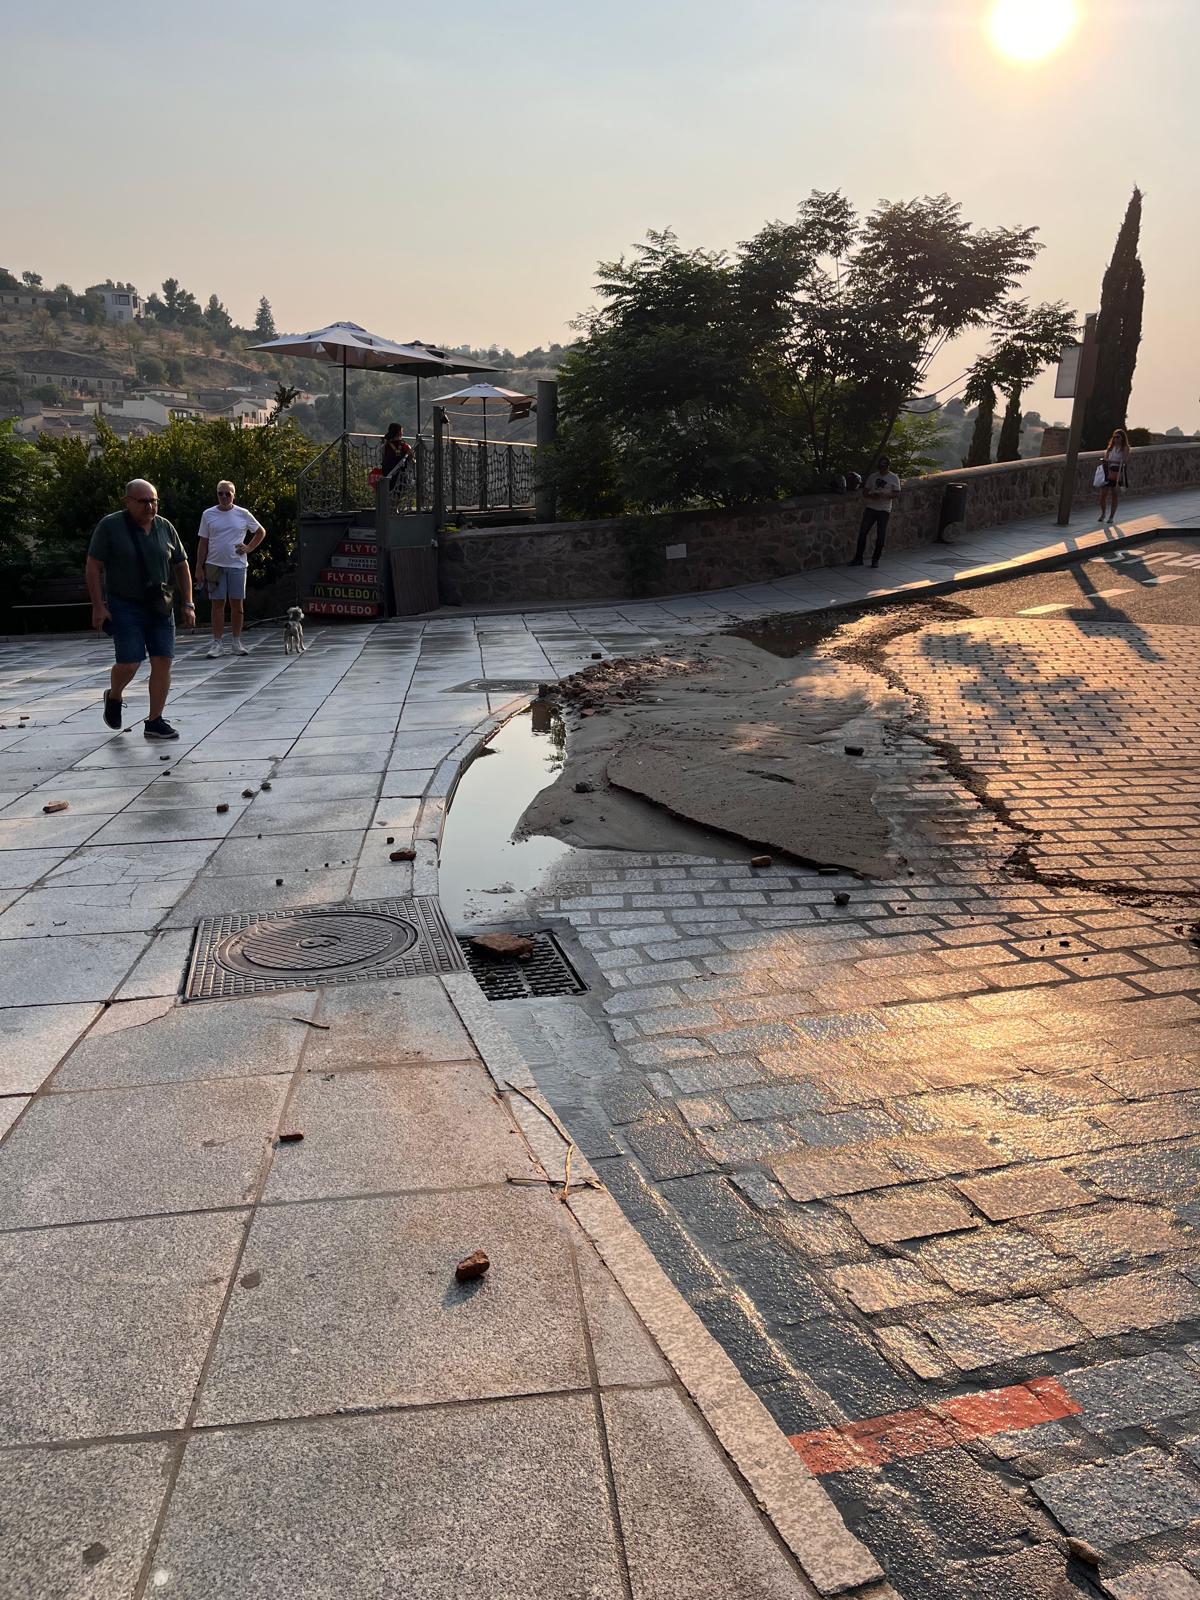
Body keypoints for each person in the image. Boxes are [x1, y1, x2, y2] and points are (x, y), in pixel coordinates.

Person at [85, 479, 194, 741]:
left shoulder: (165, 527)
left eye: (154, 500)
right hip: (125, 604)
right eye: (143, 501)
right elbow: (92, 565)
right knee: (130, 662)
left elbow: (181, 565)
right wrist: (99, 606)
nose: (150, 506)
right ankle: (114, 695)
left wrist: (188, 602)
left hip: (159, 605)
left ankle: (155, 720)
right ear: (128, 502)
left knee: (163, 661)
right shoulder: (110, 526)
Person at [196, 480, 266, 657]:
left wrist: (249, 547)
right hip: (214, 565)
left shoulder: (243, 513)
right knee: (217, 604)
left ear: (234, 495)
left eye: (228, 493)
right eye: (221, 493)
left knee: (237, 603)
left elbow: (260, 531)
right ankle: (217, 643)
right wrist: (199, 567)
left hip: (237, 564)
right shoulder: (208, 514)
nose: (224, 497)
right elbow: (203, 542)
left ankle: (236, 641)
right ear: (217, 494)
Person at [850, 456, 902, 568]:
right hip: (871, 507)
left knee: (880, 535)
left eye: (884, 468)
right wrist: (871, 496)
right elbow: (865, 492)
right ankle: (858, 558)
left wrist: (886, 495)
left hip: (884, 509)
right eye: (880, 468)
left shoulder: (893, 477)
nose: (882, 470)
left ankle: (875, 559)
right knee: (863, 533)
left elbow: (897, 493)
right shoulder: (873, 476)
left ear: (888, 467)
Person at [1098, 428, 1131, 522]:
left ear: (1122, 438)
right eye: (1114, 437)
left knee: (1114, 494)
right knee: (1103, 494)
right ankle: (1103, 513)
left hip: (1117, 472)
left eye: (1118, 437)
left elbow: (1124, 461)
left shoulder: (1125, 448)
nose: (1116, 439)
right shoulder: (1110, 448)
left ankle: (1111, 517)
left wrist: (1111, 461)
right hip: (1107, 471)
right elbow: (1106, 459)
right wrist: (1106, 460)